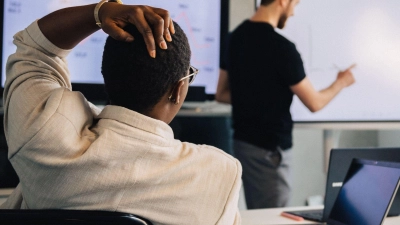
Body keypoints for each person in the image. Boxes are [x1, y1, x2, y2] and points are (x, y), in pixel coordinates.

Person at [1, 2, 242, 224]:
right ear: (178, 90)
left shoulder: (42, 132)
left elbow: (35, 50)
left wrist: (99, 12)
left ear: (106, 74)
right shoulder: (218, 175)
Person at [216, 0, 355, 209]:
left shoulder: (233, 38)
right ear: (283, 1)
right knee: (272, 218)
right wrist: (341, 82)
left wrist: (255, 95)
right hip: (270, 152)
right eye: (294, 4)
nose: (293, 13)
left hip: (243, 146)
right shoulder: (282, 48)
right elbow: (314, 103)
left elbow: (221, 94)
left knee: (259, 213)